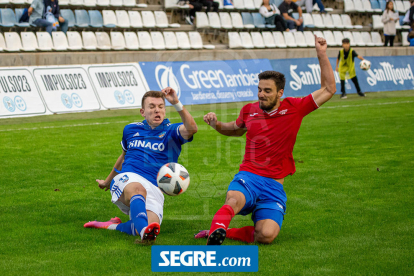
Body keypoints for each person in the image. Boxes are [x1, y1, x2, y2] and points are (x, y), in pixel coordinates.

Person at [195, 35, 336, 245]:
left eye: (267, 91)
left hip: (274, 186)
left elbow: (329, 89)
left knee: (266, 235)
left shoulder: (294, 108)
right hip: (249, 176)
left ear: (280, 92)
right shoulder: (249, 110)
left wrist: (321, 54)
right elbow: (234, 130)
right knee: (233, 200)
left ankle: (227, 231)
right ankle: (217, 231)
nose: (261, 95)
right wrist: (215, 124)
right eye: (259, 90)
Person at [84, 88, 197, 242]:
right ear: (142, 112)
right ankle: (145, 233)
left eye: (161, 107)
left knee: (150, 224)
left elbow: (192, 129)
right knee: (138, 190)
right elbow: (123, 156)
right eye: (152, 107)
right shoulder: (130, 129)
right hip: (128, 178)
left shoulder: (172, 131)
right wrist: (107, 181)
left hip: (155, 187)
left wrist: (176, 102)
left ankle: (111, 225)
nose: (157, 110)